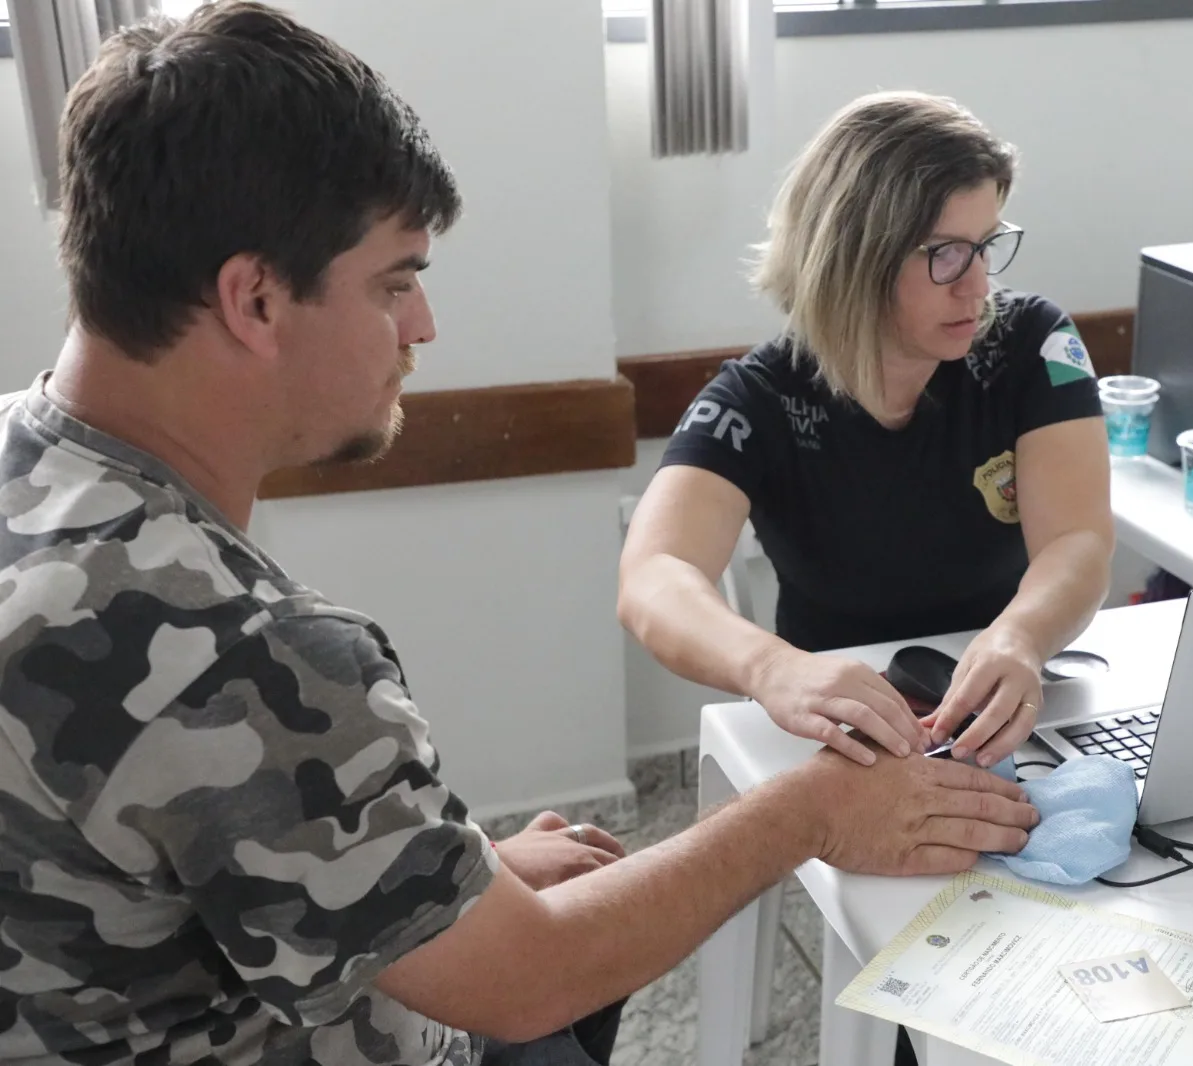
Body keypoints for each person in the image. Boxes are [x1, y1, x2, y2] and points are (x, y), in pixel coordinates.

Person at [0, 7, 1040, 1065]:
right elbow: (526, 975)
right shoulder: (242, 654)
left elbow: (146, 848)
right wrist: (805, 811)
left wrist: (435, 873)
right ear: (255, 297)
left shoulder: (24, 464)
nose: (422, 329)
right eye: (395, 281)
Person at [620, 92, 1115, 771]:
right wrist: (772, 669)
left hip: (1002, 698)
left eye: (986, 246)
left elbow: (1077, 536)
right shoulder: (759, 397)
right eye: (945, 254)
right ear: (856, 258)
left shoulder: (1032, 342)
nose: (977, 287)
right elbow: (653, 576)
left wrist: (1021, 638)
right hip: (841, 723)